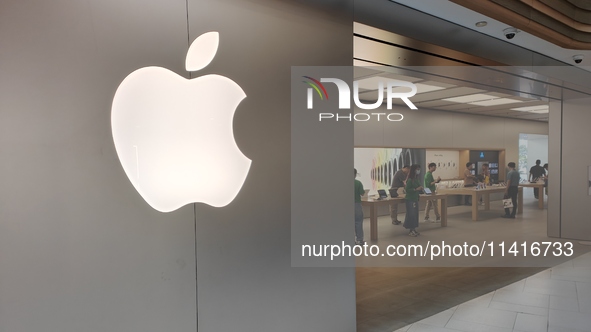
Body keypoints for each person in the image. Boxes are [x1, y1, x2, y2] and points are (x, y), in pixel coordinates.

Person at [404, 164, 423, 236]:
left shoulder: (416, 179)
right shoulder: (409, 180)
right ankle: (411, 230)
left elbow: (418, 186)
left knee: (415, 214)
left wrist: (420, 188)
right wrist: (415, 189)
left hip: (415, 198)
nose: (418, 171)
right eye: (417, 169)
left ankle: (414, 229)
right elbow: (407, 189)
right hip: (410, 199)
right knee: (411, 214)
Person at [354, 169, 365, 245]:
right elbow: (362, 193)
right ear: (355, 174)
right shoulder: (358, 183)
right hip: (356, 204)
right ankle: (359, 240)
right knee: (358, 222)